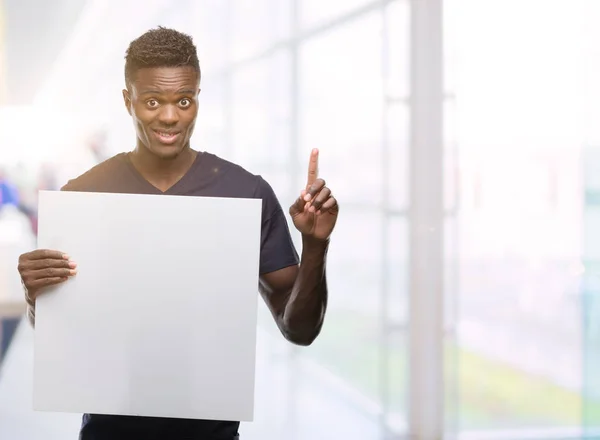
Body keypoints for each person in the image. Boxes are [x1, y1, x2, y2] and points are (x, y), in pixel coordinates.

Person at [16, 26, 338, 440]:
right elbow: (65, 332)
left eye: (183, 101)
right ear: (127, 100)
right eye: (152, 101)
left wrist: (316, 245)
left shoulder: (244, 193)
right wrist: (36, 296)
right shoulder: (84, 195)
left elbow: (299, 330)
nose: (170, 117)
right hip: (108, 433)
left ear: (197, 98)